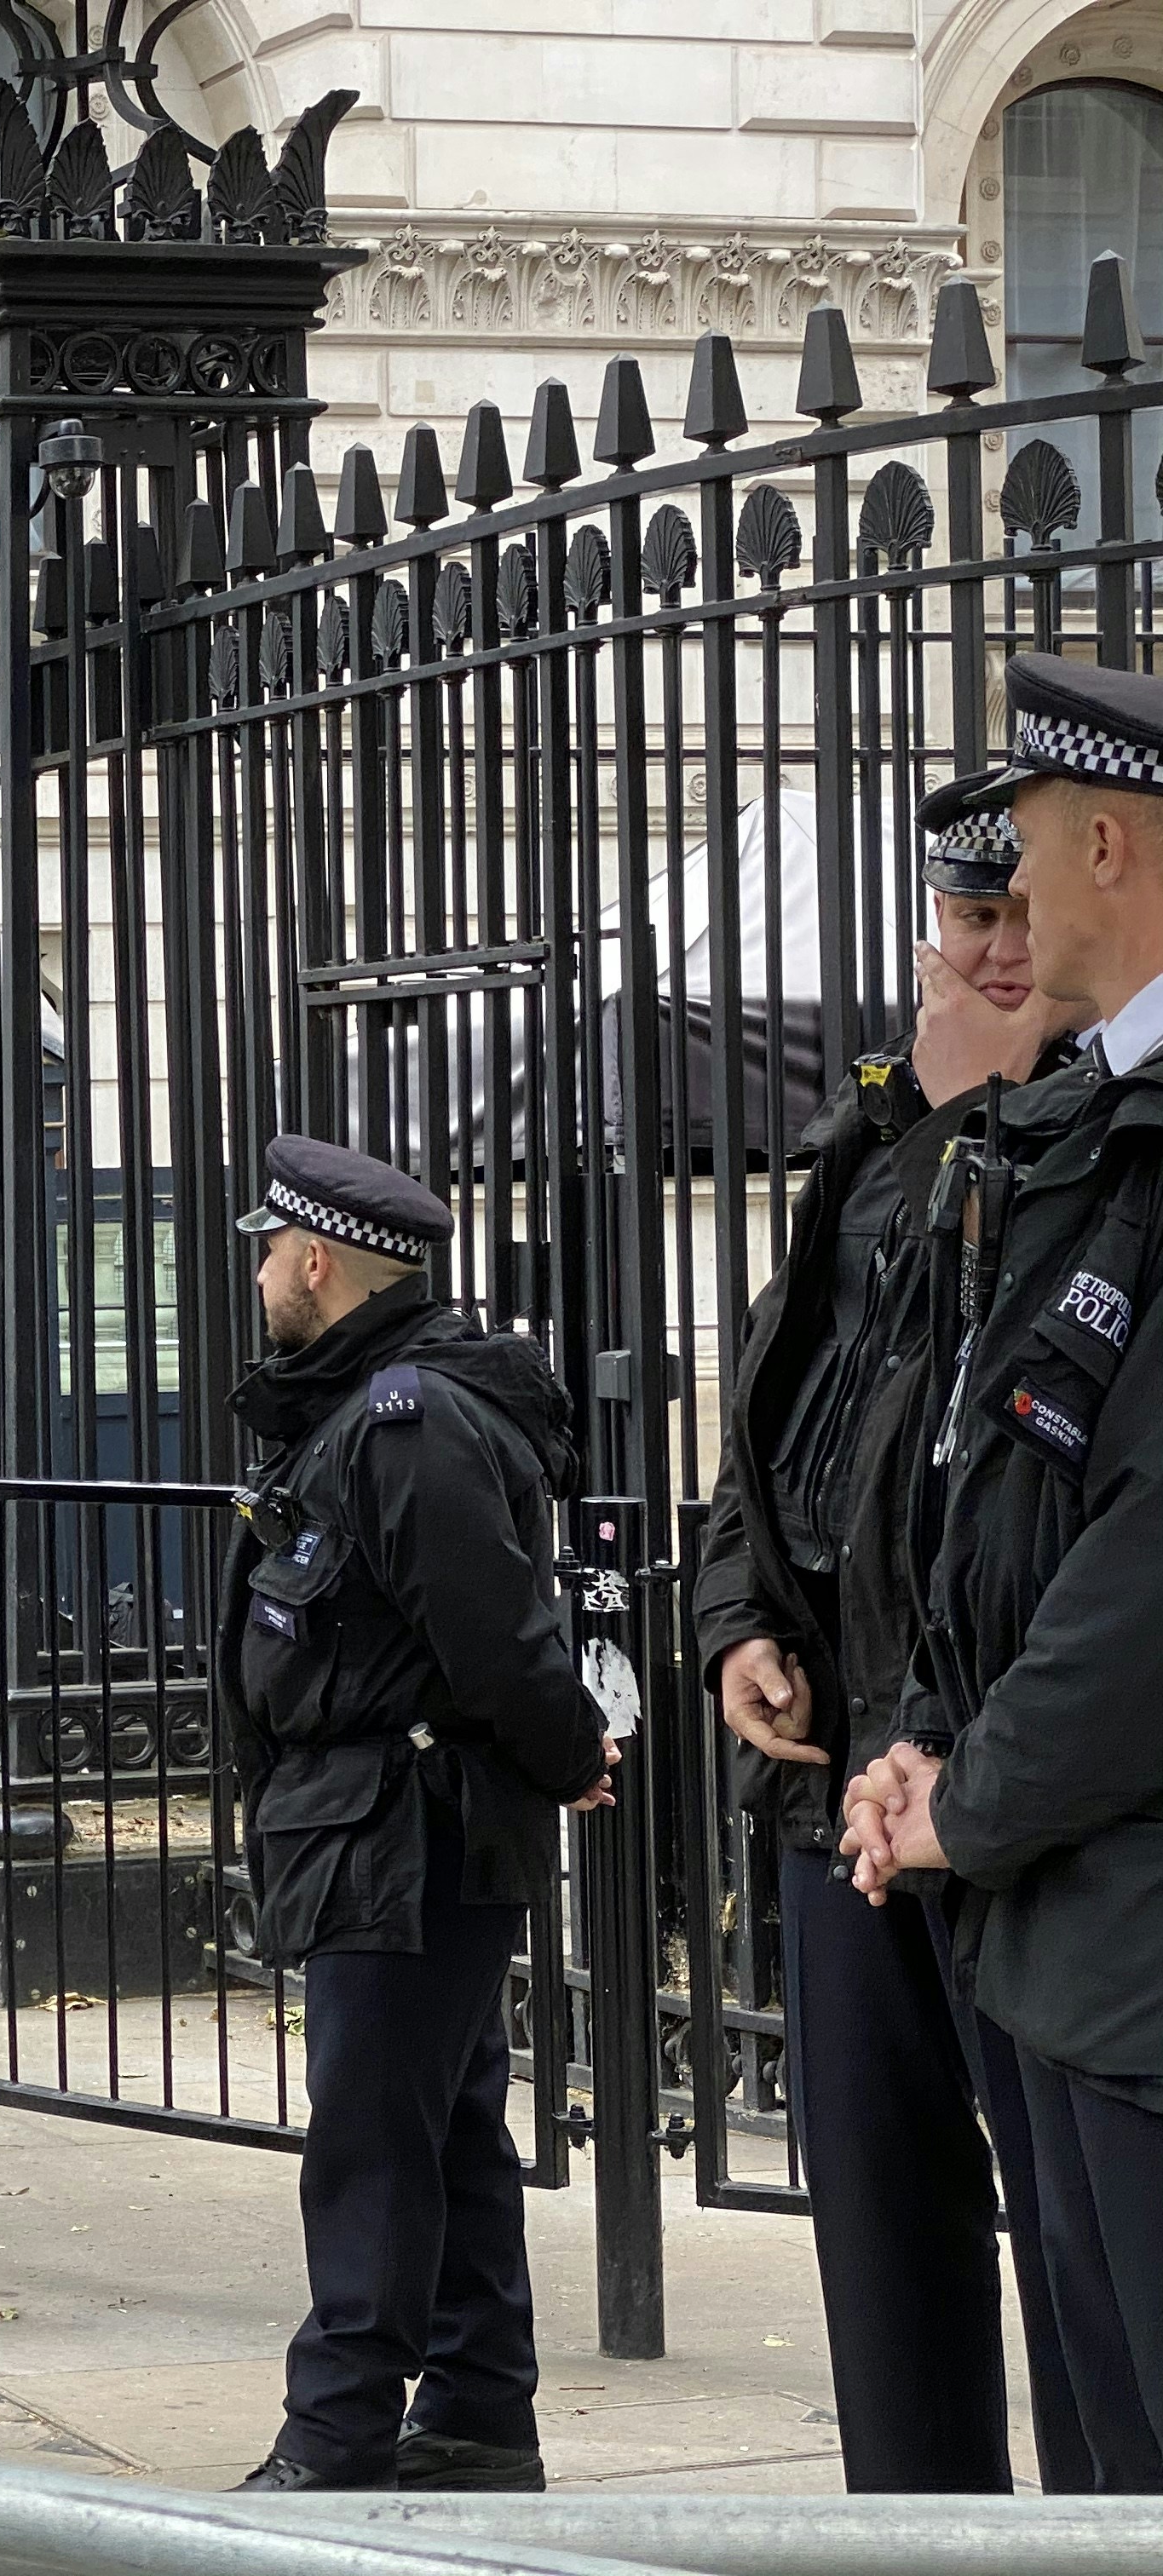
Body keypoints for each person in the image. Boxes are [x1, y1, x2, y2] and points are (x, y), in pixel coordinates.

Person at [693, 780, 1108, 2497]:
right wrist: (731, 1623)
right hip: (835, 1776)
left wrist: (993, 1128)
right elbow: (773, 1421)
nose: (995, 951)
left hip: (1008, 1782)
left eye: (1021, 921)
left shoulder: (1099, 1143)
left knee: (1083, 2258)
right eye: (970, 922)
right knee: (879, 2236)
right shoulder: (873, 1141)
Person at [845, 653, 1163, 2487]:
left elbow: (1141, 1588)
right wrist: (924, 1739)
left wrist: (975, 1793)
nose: (1008, 914)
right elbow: (980, 1486)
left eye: (1024, 869)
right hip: (1062, 1928)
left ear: (1107, 842)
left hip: (1118, 1922)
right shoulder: (1086, 1133)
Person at [220, 1135, 617, 2497]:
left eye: (270, 1252)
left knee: (372, 2143)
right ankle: (475, 2416)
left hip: (405, 1827)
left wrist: (568, 1753)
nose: (262, 1273)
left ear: (317, 1261)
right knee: (442, 2128)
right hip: (379, 1824)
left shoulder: (406, 1416)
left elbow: (497, 1632)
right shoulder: (368, 1404)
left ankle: (336, 2438)